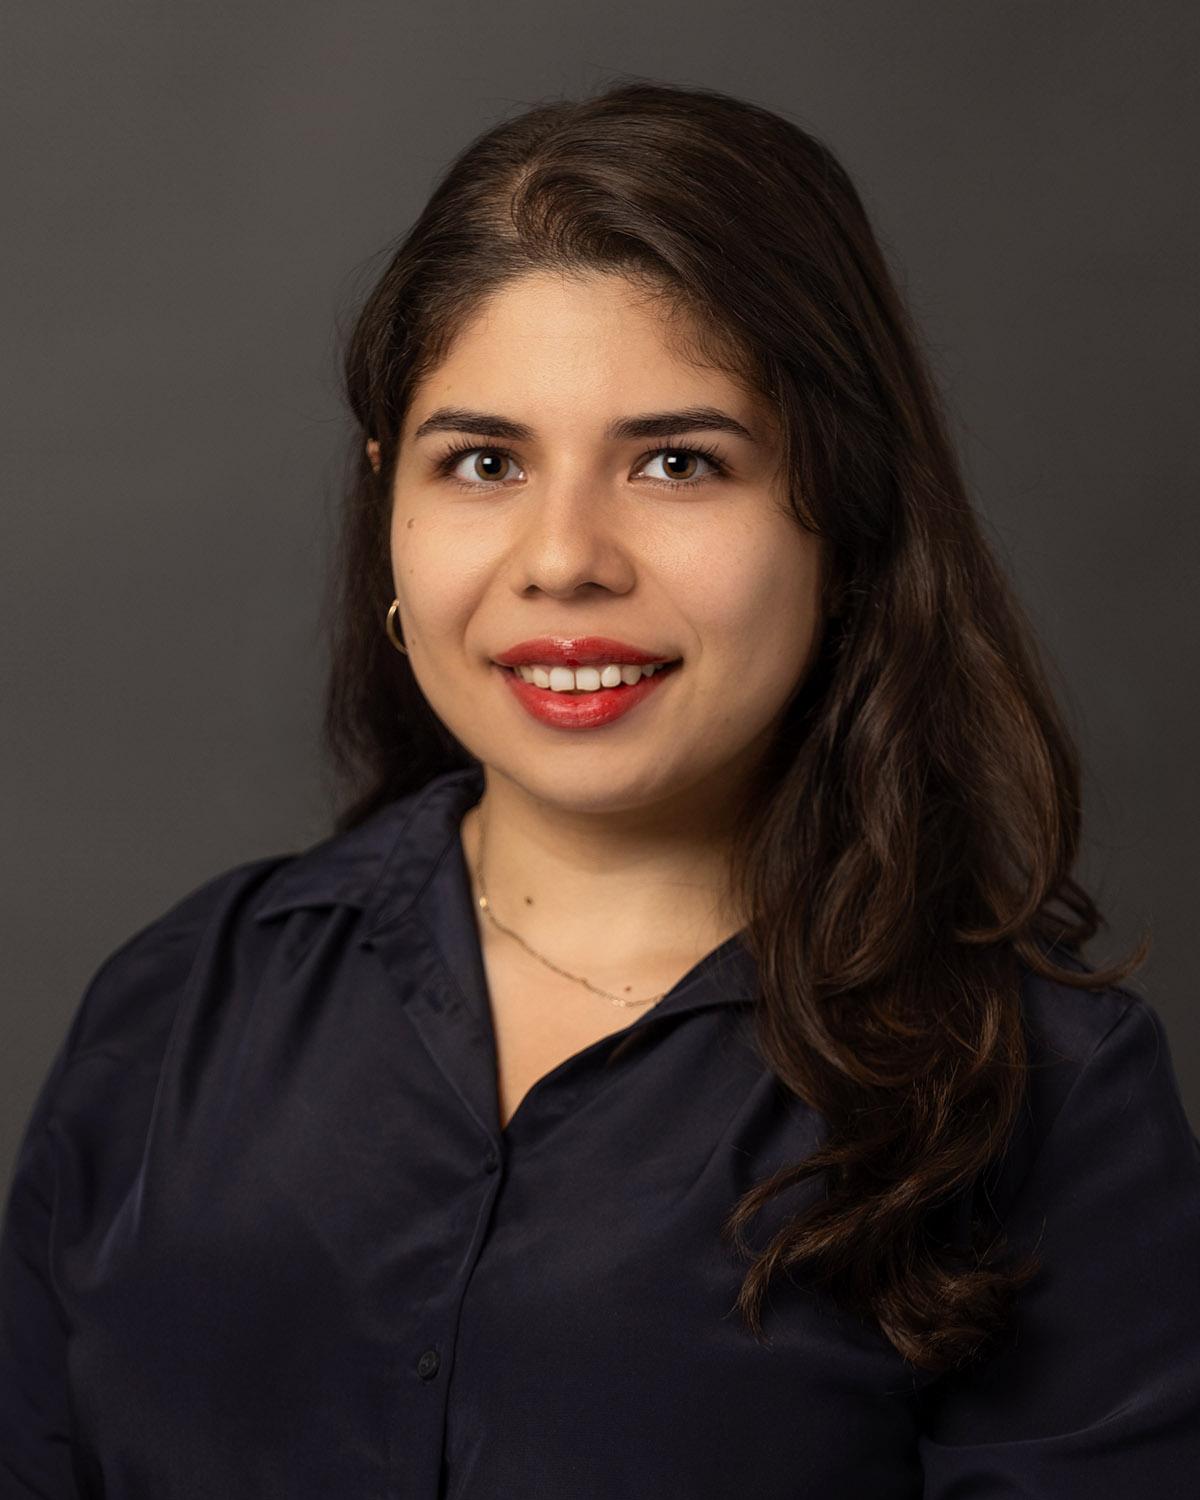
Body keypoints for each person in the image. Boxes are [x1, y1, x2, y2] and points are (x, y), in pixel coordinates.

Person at [2, 78, 1198, 1498]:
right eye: (485, 462)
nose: (564, 557)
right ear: (390, 504)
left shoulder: (1041, 1096)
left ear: (849, 512)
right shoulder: (177, 1008)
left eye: (678, 462)